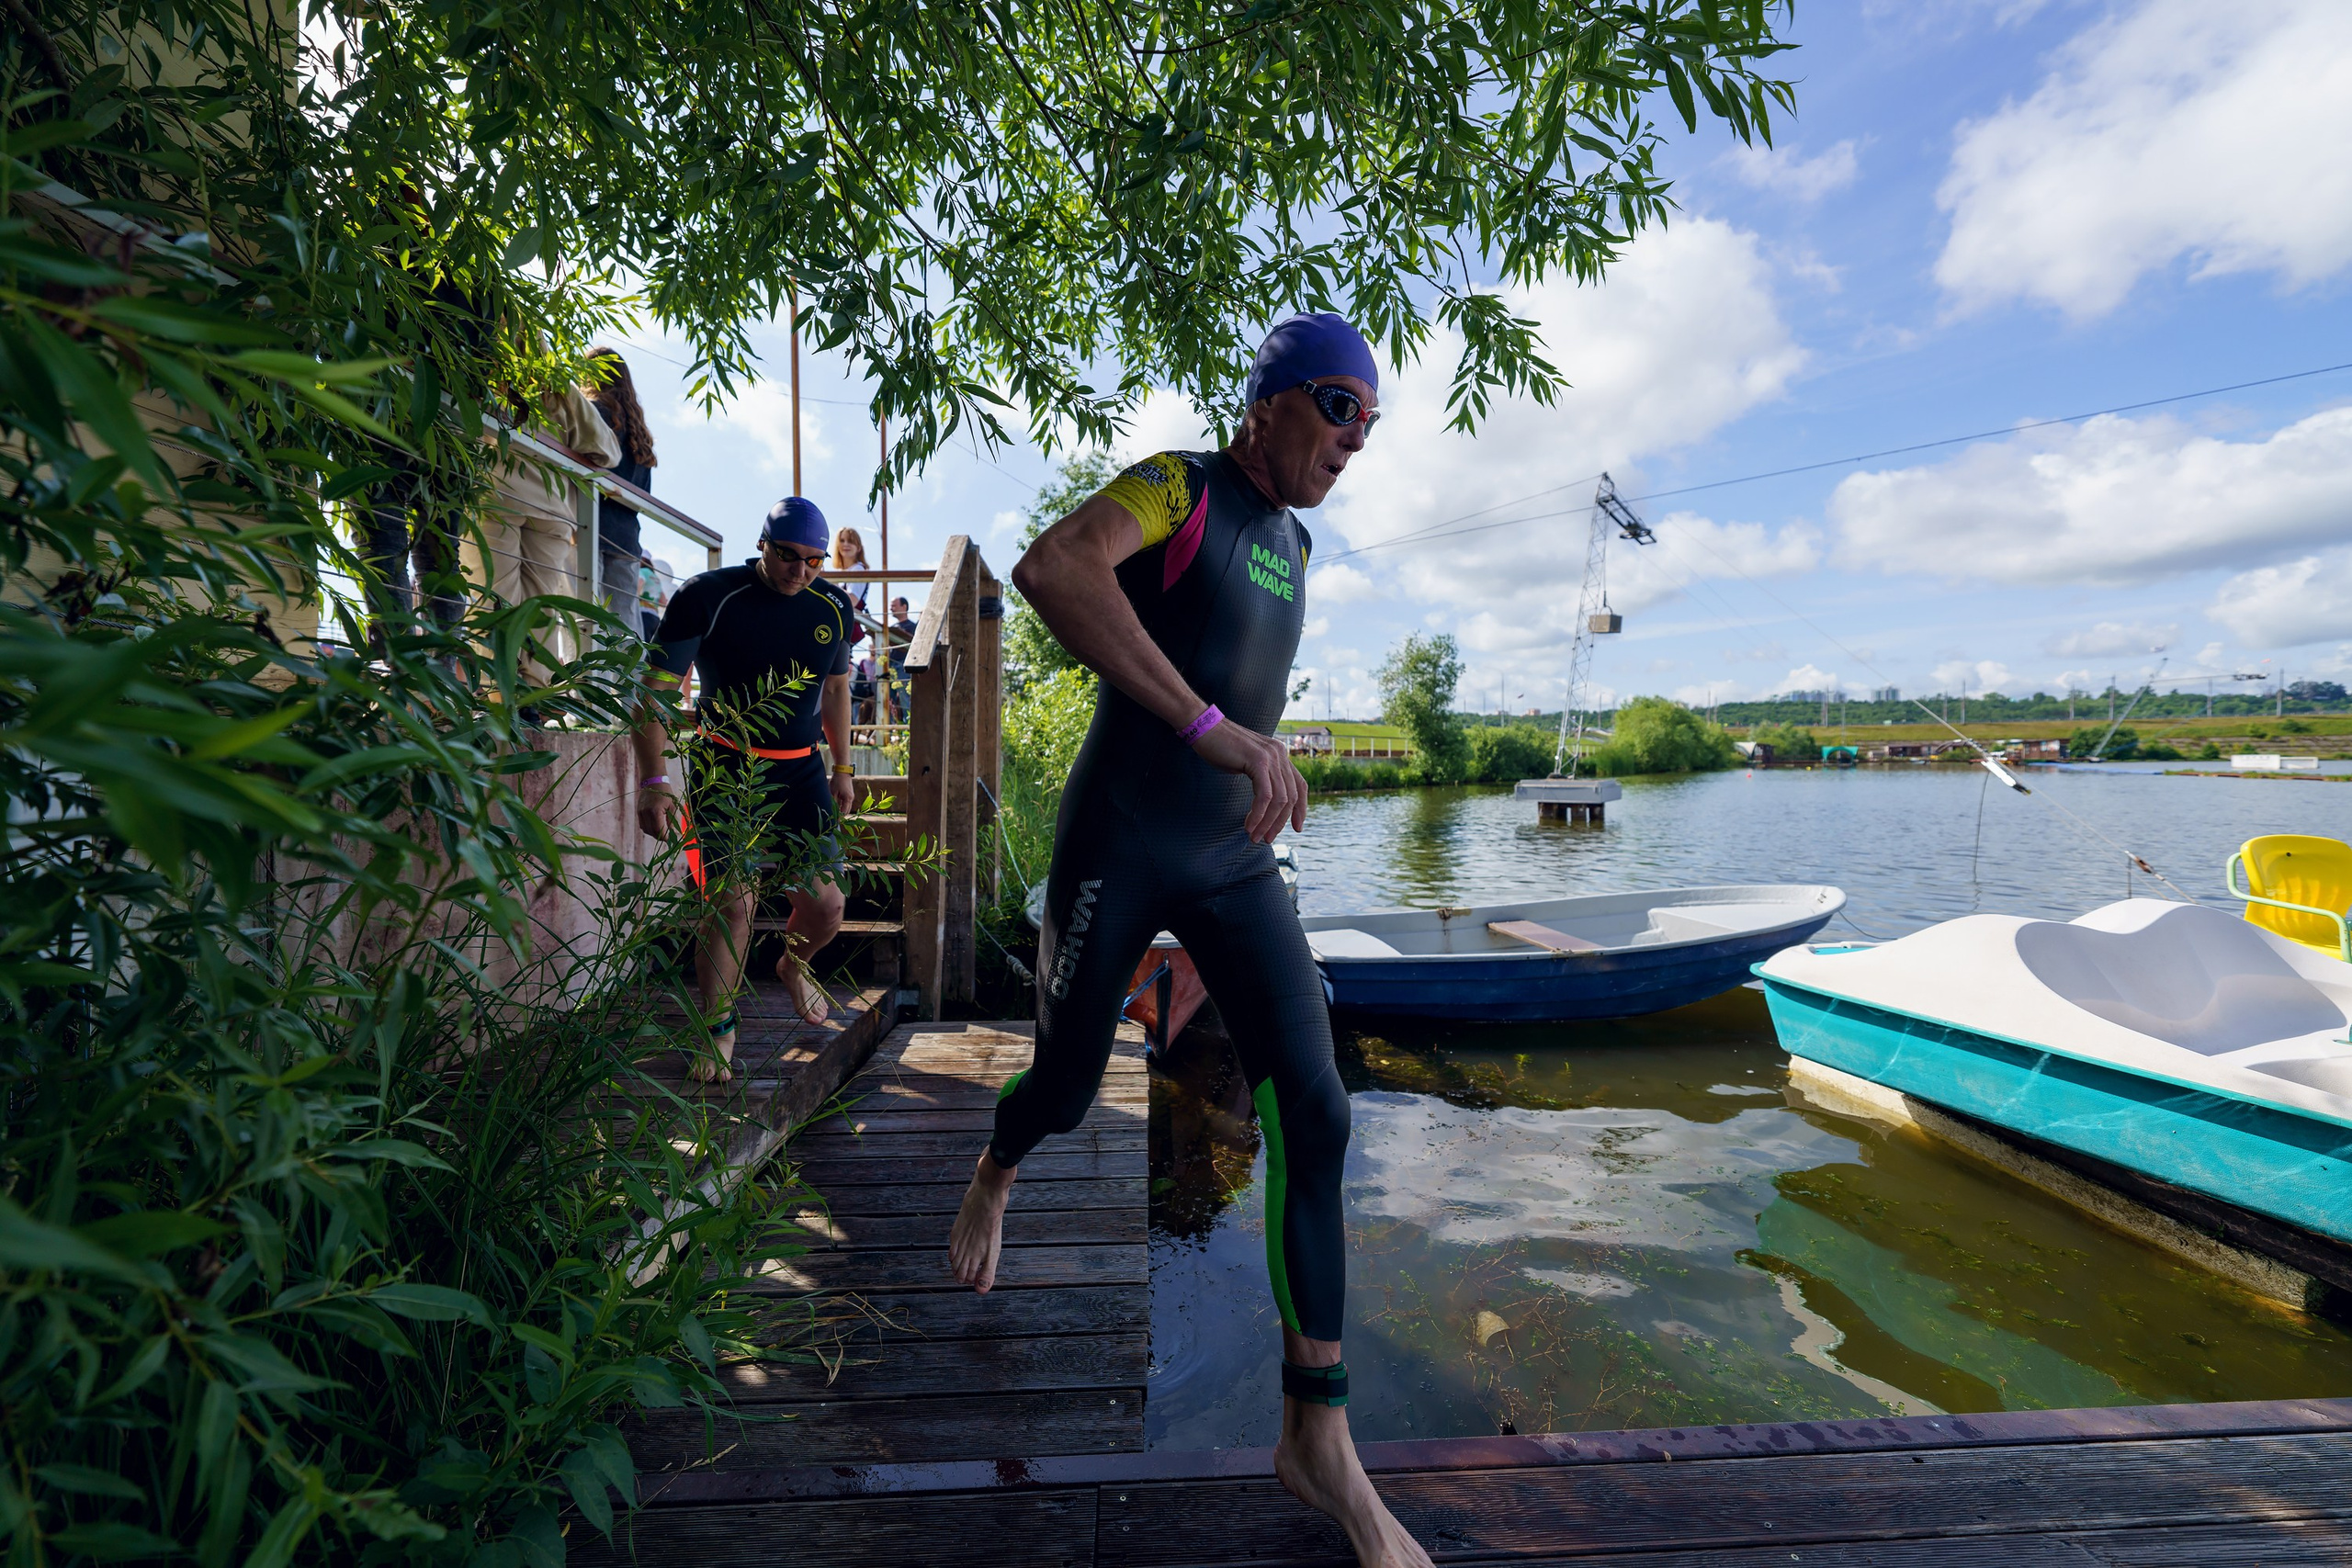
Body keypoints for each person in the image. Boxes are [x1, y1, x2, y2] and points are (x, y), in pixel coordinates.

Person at [947, 314, 1427, 1568]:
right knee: (1059, 1089)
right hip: (1121, 834)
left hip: (1231, 858)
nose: (1353, 438)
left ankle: (1315, 1435)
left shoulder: (1298, 543)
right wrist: (1211, 721)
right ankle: (998, 1161)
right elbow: (1055, 567)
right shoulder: (1185, 485)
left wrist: (1256, 750)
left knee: (1316, 1113)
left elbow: (1248, 697)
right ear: (1267, 401)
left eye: (1369, 420)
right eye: (1336, 406)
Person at [631, 497, 857, 1080]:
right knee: (732, 903)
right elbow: (653, 692)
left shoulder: (831, 604)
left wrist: (843, 766)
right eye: (788, 556)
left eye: (814, 560)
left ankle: (793, 964)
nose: (800, 571)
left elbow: (835, 690)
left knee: (827, 904)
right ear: (761, 544)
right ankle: (718, 1027)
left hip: (802, 770)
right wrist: (654, 781)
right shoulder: (707, 595)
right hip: (725, 766)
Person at [481, 381, 619, 680]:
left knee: (495, 598)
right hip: (553, 508)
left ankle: (498, 691)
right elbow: (607, 449)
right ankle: (531, 695)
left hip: (499, 495)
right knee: (540, 607)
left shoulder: (481, 366)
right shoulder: (556, 384)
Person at [585, 348, 658, 630]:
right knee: (624, 626)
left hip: (589, 526)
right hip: (626, 538)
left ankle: (584, 676)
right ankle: (626, 677)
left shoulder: (592, 414)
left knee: (584, 618)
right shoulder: (639, 431)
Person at [883, 594, 915, 721]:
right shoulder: (894, 627)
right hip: (891, 666)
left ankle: (908, 727)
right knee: (888, 700)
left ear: (904, 607)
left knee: (904, 698)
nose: (891, 608)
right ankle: (891, 731)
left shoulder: (912, 627)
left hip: (902, 666)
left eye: (894, 606)